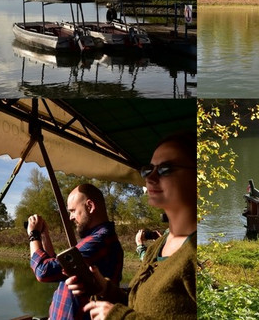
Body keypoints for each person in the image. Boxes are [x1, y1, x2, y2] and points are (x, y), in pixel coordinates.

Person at [71, 131, 197, 320]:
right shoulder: (157, 246)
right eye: (149, 169)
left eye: (165, 169)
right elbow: (140, 304)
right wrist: (105, 289)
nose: (150, 178)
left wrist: (120, 317)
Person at [27, 183, 124, 320]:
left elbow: (44, 272)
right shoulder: (97, 239)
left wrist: (34, 235)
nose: (71, 217)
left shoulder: (99, 241)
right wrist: (44, 235)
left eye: (72, 211)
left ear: (90, 207)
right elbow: (58, 268)